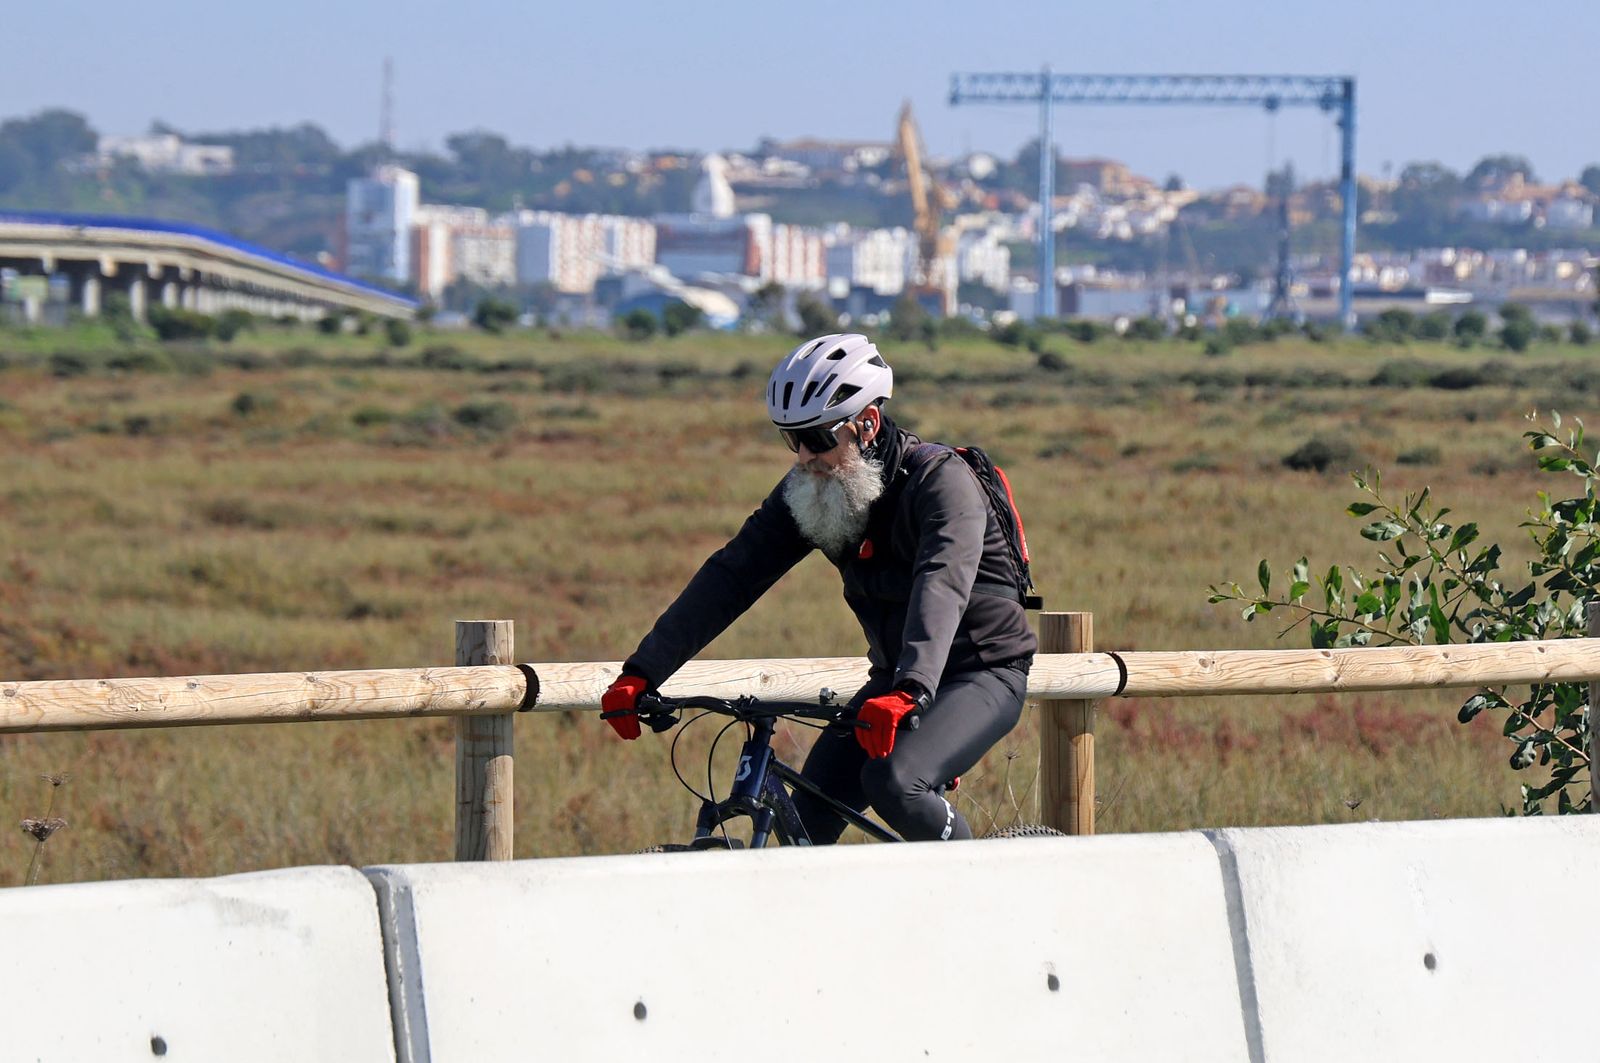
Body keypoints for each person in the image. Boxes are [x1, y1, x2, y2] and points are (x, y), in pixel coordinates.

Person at [602, 333, 1037, 842]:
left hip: (977, 673)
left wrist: (912, 690)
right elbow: (733, 574)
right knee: (805, 824)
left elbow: (941, 584)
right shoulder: (816, 487)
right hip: (894, 683)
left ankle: (981, 901)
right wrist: (643, 670)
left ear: (867, 424)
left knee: (895, 783)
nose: (805, 455)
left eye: (818, 438)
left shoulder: (942, 482)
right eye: (791, 439)